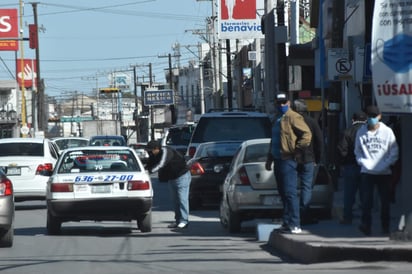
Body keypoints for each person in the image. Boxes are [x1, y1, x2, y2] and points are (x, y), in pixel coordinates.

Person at [265, 92, 312, 234]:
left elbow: (306, 134)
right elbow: (274, 141)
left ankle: (295, 223)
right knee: (283, 192)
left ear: (289, 103)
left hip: (288, 159)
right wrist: (269, 158)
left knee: (290, 192)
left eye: (283, 102)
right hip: (278, 159)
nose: (281, 105)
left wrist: (297, 150)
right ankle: (287, 221)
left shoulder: (293, 117)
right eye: (279, 103)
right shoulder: (276, 118)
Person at [354, 105, 399, 236]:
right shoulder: (361, 132)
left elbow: (394, 151)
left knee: (385, 202)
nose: (372, 119)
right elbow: (357, 151)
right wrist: (363, 162)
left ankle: (385, 226)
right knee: (366, 202)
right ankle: (366, 226)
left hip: (384, 173)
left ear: (379, 117)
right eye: (369, 117)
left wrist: (386, 164)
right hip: (367, 172)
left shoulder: (387, 132)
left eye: (374, 117)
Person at [145, 140, 191, 229]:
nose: (149, 152)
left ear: (156, 149)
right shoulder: (153, 155)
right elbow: (149, 164)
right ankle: (178, 221)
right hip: (172, 178)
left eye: (150, 150)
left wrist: (149, 172)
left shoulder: (166, 151)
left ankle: (184, 221)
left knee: (182, 199)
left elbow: (161, 164)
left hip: (182, 176)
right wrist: (144, 169)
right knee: (175, 201)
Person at [293, 99, 324, 225]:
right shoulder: (312, 122)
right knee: (306, 187)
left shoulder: (289, 122)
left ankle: (293, 214)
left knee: (292, 188)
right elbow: (320, 141)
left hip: (292, 159)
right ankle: (304, 213)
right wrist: (317, 158)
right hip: (308, 159)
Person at [337, 111, 367, 225]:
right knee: (365, 194)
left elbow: (341, 149)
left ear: (353, 120)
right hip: (365, 166)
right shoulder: (368, 132)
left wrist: (344, 162)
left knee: (349, 194)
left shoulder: (347, 132)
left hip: (350, 166)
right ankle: (365, 218)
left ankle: (347, 217)